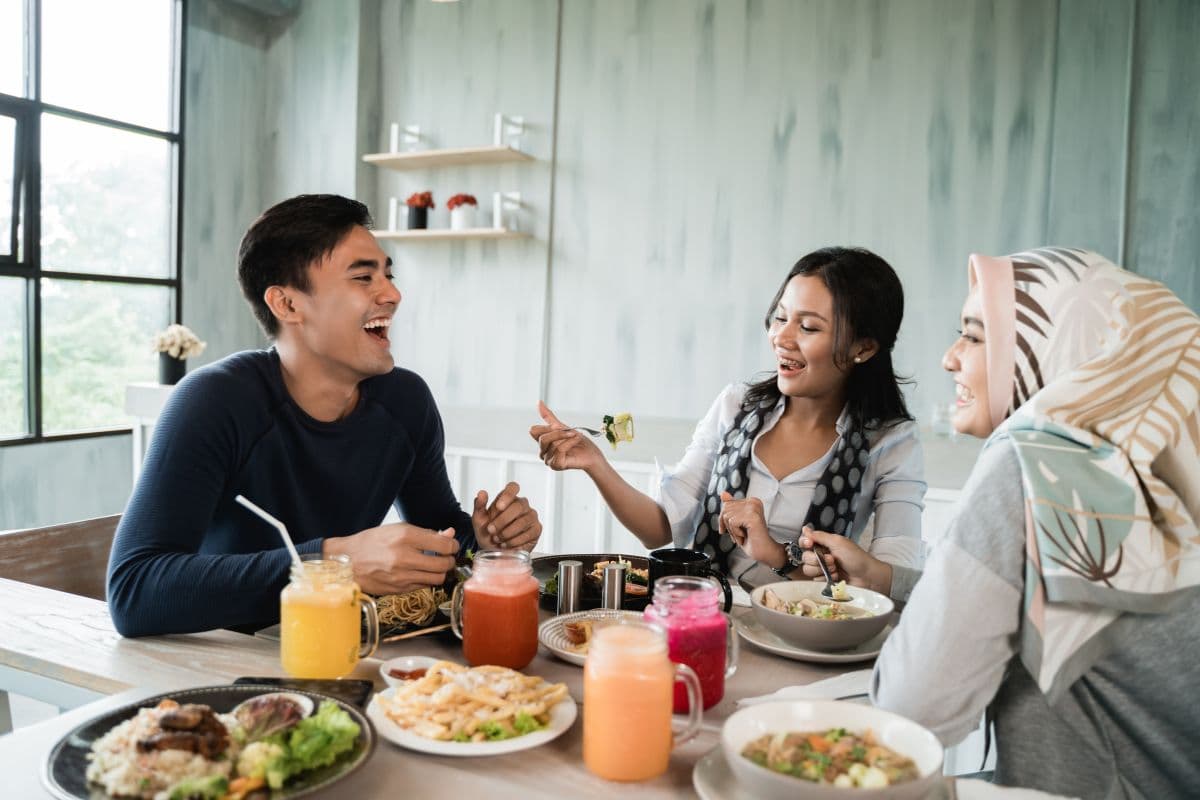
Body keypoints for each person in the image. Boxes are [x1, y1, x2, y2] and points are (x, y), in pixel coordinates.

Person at [811, 247, 1200, 796]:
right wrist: (887, 580)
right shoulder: (1159, 478)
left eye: (974, 335)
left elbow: (910, 710)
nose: (950, 357)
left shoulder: (1035, 463)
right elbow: (1043, 599)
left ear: (1054, 345)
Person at [108, 194, 543, 637]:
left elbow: (443, 534)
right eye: (362, 277)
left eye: (387, 275)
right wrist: (335, 563)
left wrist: (487, 546)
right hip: (224, 658)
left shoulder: (405, 401)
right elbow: (134, 591)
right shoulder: (213, 401)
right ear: (288, 305)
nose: (392, 294)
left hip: (342, 647)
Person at [530, 247, 926, 591]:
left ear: (864, 347)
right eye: (780, 317)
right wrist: (595, 463)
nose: (781, 338)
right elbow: (661, 527)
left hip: (810, 636)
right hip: (709, 613)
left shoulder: (891, 441)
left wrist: (774, 554)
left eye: (807, 327)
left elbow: (891, 579)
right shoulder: (736, 405)